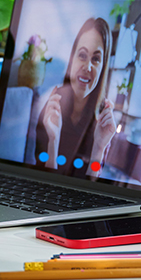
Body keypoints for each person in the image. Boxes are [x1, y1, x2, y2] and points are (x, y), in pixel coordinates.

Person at [33, 17, 116, 177]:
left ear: (103, 67)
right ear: (72, 60)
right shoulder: (51, 108)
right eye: (82, 55)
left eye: (96, 59)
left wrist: (99, 147)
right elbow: (42, 180)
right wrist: (53, 140)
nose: (88, 66)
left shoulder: (103, 122)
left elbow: (93, 187)